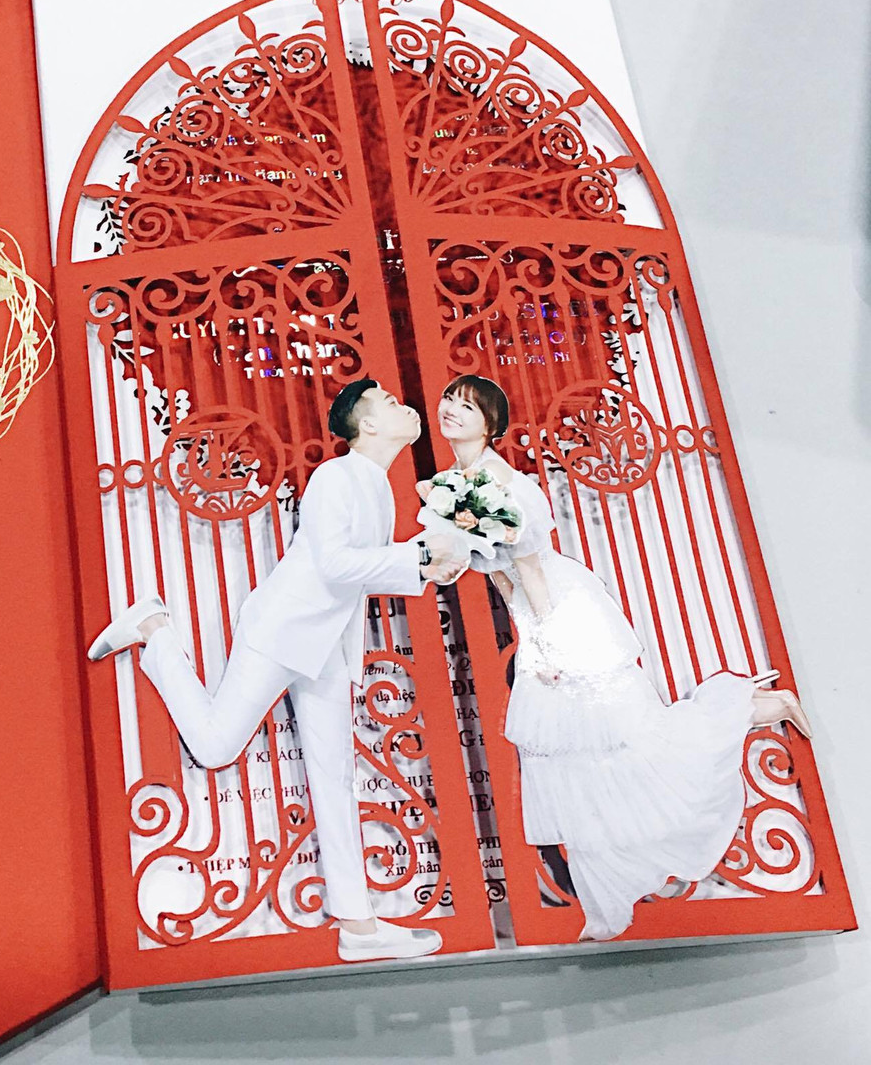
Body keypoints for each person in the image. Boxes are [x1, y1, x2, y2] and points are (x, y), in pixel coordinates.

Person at [87, 378, 469, 962]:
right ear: (366, 424)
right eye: (390, 402)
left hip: (325, 646)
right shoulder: (334, 477)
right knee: (216, 747)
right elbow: (336, 564)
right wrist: (418, 554)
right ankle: (154, 630)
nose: (404, 405)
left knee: (335, 780)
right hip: (283, 632)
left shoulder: (375, 485)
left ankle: (358, 927)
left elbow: (361, 572)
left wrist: (425, 568)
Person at [434, 373, 810, 940]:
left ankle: (751, 706)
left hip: (561, 611)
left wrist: (548, 642)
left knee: (627, 741)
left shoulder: (504, 485)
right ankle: (607, 903)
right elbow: (501, 579)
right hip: (534, 616)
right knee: (573, 761)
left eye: (466, 406)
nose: (450, 411)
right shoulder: (453, 486)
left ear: (490, 424)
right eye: (448, 401)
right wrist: (528, 634)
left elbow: (530, 569)